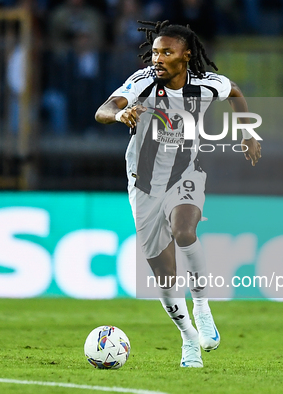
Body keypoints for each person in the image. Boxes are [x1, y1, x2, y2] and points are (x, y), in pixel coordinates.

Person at [95, 20, 261, 368]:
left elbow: (235, 92)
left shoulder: (204, 85)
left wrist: (247, 132)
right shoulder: (141, 82)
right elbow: (104, 110)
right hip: (143, 184)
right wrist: (121, 112)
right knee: (166, 276)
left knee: (185, 231)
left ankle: (202, 307)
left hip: (186, 174)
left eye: (167, 52)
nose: (158, 58)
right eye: (155, 52)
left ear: (185, 56)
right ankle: (188, 340)